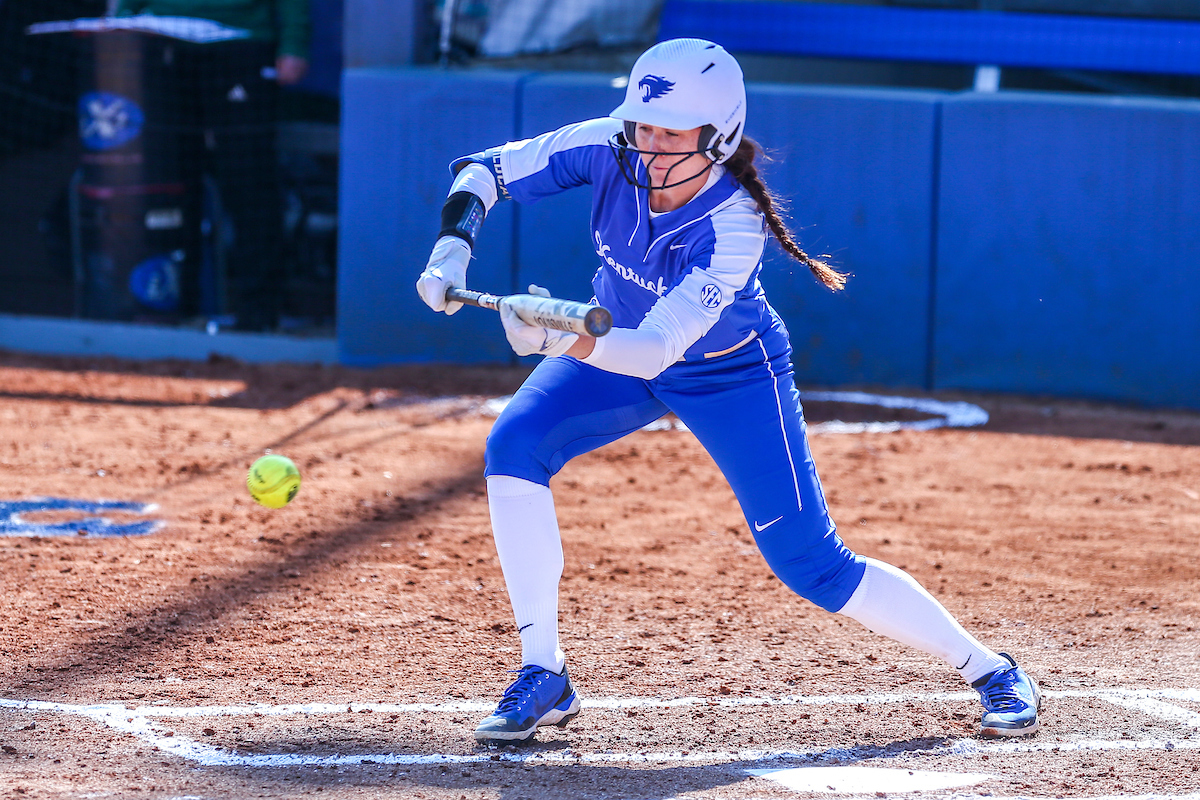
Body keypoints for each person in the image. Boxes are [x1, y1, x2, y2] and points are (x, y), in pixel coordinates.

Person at [417, 38, 1042, 745]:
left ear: (718, 137)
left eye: (672, 132)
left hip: (729, 374)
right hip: (611, 347)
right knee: (514, 444)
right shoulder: (607, 145)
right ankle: (544, 671)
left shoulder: (731, 223)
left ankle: (990, 669)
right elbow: (486, 171)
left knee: (813, 565)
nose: (650, 146)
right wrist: (452, 248)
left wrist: (560, 340)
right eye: (644, 126)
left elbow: (655, 349)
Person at [115, 0, 310, 331]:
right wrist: (121, 21)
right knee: (168, 182)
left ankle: (259, 313)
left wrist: (295, 42)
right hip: (162, 43)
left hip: (240, 46)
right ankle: (171, 307)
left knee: (249, 181)